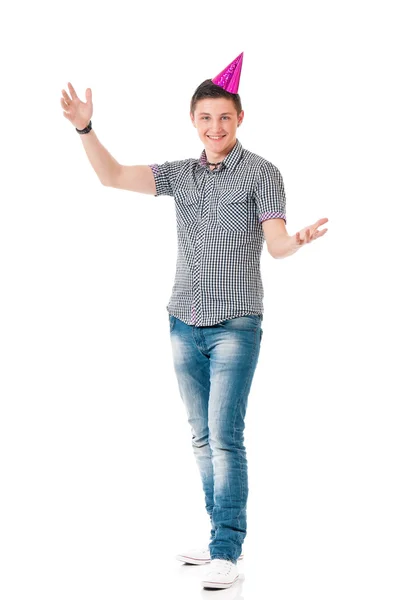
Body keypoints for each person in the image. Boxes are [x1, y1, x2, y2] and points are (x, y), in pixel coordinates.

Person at [60, 52, 328, 591]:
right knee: (201, 437)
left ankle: (228, 547)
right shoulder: (181, 176)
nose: (215, 126)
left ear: (240, 119)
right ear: (193, 122)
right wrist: (86, 128)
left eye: (224, 117)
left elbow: (274, 244)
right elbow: (111, 176)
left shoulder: (263, 173)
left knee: (226, 437)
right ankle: (216, 539)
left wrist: (294, 241)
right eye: (205, 117)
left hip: (235, 323)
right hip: (183, 319)